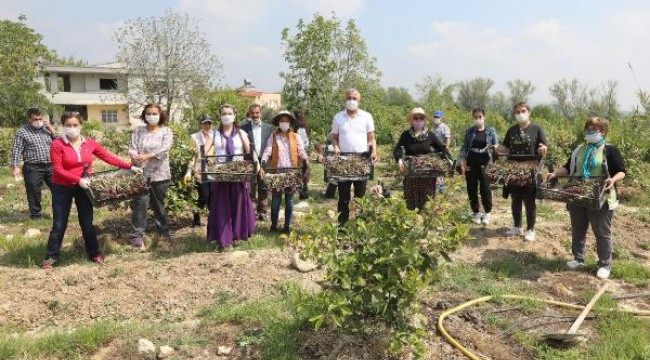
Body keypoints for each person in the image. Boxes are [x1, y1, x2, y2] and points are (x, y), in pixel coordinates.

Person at [43, 112, 141, 269]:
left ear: (81, 125)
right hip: (62, 186)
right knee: (59, 223)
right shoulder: (57, 144)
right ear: (63, 126)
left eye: (75, 125)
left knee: (87, 222)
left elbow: (108, 157)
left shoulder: (89, 143)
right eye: (68, 125)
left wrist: (130, 167)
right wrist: (78, 180)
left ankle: (94, 253)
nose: (72, 128)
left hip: (85, 187)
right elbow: (57, 169)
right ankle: (51, 256)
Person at [546, 117, 625, 280]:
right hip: (577, 193)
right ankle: (578, 259)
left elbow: (621, 171)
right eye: (588, 129)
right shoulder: (579, 150)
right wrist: (555, 174)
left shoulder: (610, 150)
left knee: (602, 231)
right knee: (578, 227)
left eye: (594, 129)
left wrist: (613, 179)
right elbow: (568, 167)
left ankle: (604, 264)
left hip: (601, 195)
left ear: (603, 132)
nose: (590, 132)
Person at [496, 102, 548, 241]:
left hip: (531, 169)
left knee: (529, 200)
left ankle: (531, 230)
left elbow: (543, 147)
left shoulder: (537, 129)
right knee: (515, 199)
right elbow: (505, 148)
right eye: (517, 112)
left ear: (529, 112)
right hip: (513, 169)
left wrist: (542, 149)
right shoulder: (512, 130)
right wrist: (496, 147)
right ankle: (517, 227)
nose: (520, 114)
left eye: (523, 111)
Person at [207, 104, 256, 249]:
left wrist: (257, 164)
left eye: (229, 113)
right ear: (220, 116)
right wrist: (199, 163)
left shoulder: (241, 134)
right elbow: (203, 150)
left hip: (238, 174)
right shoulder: (214, 134)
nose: (226, 116)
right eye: (224, 113)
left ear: (234, 116)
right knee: (222, 206)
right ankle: (224, 239)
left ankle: (236, 235)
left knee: (238, 205)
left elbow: (250, 151)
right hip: (220, 174)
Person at [129, 103, 173, 249]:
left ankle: (162, 232)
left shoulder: (166, 131)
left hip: (160, 174)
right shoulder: (138, 131)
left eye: (155, 113)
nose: (151, 116)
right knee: (140, 204)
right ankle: (137, 236)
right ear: (144, 115)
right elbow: (133, 148)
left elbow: (165, 149)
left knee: (158, 204)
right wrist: (135, 158)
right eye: (149, 113)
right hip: (141, 174)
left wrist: (148, 155)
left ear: (160, 115)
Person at [331, 88, 378, 225]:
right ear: (344, 100)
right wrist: (336, 146)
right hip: (344, 162)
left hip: (361, 161)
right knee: (343, 198)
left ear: (359, 100)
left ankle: (360, 228)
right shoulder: (338, 117)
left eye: (354, 98)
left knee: (360, 197)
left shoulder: (366, 116)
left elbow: (371, 138)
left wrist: (374, 151)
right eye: (349, 98)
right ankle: (342, 228)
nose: (351, 101)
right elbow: (334, 137)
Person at [260, 110, 309, 234]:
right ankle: (274, 225)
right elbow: (268, 149)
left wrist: (305, 159)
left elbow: (301, 150)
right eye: (282, 120)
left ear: (290, 123)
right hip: (276, 172)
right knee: (276, 200)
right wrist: (264, 160)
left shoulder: (295, 136)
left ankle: (287, 226)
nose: (284, 123)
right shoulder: (273, 136)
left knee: (289, 200)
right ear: (278, 122)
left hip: (292, 172)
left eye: (286, 121)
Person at [393, 108, 451, 211]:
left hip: (427, 171)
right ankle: (412, 220)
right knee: (410, 198)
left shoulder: (430, 135)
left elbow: (441, 148)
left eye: (421, 118)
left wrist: (448, 159)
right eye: (416, 118)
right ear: (412, 120)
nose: (418, 120)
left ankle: (425, 219)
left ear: (424, 120)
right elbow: (398, 148)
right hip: (411, 171)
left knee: (427, 199)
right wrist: (399, 159)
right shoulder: (406, 135)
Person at [11, 107, 57, 220]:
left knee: (59, 190)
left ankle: (59, 213)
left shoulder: (47, 130)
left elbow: (61, 142)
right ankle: (36, 216)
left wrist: (51, 129)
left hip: (51, 166)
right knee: (34, 193)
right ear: (29, 119)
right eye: (35, 119)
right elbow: (17, 149)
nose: (38, 121)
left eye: (40, 118)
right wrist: (15, 167)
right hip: (33, 167)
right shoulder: (22, 132)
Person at [457, 107, 498, 225]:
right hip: (471, 161)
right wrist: (461, 160)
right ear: (473, 118)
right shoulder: (469, 131)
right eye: (475, 117)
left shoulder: (490, 130)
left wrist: (495, 147)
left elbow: (496, 144)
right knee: (471, 188)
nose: (478, 119)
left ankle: (487, 213)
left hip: (486, 162)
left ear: (484, 117)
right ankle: (476, 213)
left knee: (485, 188)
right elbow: (465, 147)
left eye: (480, 117)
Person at [240, 104, 273, 220]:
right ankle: (252, 212)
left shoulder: (269, 128)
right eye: (252, 113)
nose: (254, 115)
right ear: (249, 114)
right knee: (251, 187)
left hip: (264, 161)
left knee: (263, 186)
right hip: (249, 161)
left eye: (257, 112)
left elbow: (271, 146)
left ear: (261, 113)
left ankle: (263, 212)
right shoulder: (243, 128)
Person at [184, 114, 214, 227]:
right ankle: (196, 217)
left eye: (209, 123)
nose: (207, 125)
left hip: (214, 170)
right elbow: (191, 156)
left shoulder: (216, 135)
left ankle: (212, 220)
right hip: (199, 171)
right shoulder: (195, 137)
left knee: (213, 196)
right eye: (205, 123)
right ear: (200, 124)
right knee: (204, 196)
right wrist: (188, 171)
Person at [432, 110, 452, 193]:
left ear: (441, 118)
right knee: (436, 168)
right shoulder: (435, 128)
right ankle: (439, 186)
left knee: (441, 168)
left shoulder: (444, 127)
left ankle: (441, 186)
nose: (436, 118)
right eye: (435, 117)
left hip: (442, 150)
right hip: (435, 151)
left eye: (437, 117)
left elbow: (447, 139)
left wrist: (445, 149)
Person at [294, 110, 311, 200]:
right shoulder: (303, 126)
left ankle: (303, 193)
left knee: (303, 172)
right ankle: (303, 193)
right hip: (302, 151)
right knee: (303, 172)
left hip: (301, 151)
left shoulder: (300, 127)